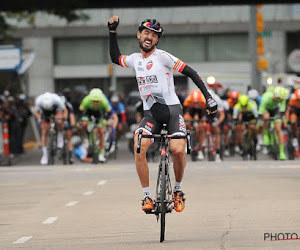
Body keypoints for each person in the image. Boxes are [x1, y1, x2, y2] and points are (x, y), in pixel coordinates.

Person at [108, 16, 217, 212]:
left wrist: (208, 98)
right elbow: (115, 58)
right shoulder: (135, 59)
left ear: (157, 40)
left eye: (154, 35)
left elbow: (191, 72)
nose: (149, 37)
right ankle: (147, 196)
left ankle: (177, 191)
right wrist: (112, 32)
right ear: (139, 35)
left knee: (177, 149)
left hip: (172, 111)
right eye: (146, 33)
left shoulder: (163, 57)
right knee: (139, 146)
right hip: (151, 114)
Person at [79, 88, 118, 163]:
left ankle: (101, 153)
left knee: (101, 130)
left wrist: (109, 120)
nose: (95, 103)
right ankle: (86, 139)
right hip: (88, 114)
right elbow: (81, 112)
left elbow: (109, 114)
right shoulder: (86, 100)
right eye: (94, 101)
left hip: (100, 115)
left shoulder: (104, 101)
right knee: (84, 124)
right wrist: (83, 120)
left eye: (97, 101)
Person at [34, 92, 67, 165]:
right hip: (45, 113)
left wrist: (64, 119)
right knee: (44, 131)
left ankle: (60, 136)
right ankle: (45, 155)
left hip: (56, 111)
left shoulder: (57, 100)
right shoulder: (39, 100)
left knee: (59, 121)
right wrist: (39, 119)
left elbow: (65, 110)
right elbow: (36, 112)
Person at [258, 86, 289, 160]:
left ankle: (281, 151)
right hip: (266, 109)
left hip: (275, 110)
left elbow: (282, 110)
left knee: (278, 129)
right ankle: (265, 134)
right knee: (266, 117)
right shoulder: (266, 98)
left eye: (282, 99)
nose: (281, 101)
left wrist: (281, 117)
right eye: (280, 99)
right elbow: (261, 110)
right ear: (276, 96)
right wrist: (261, 117)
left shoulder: (282, 98)